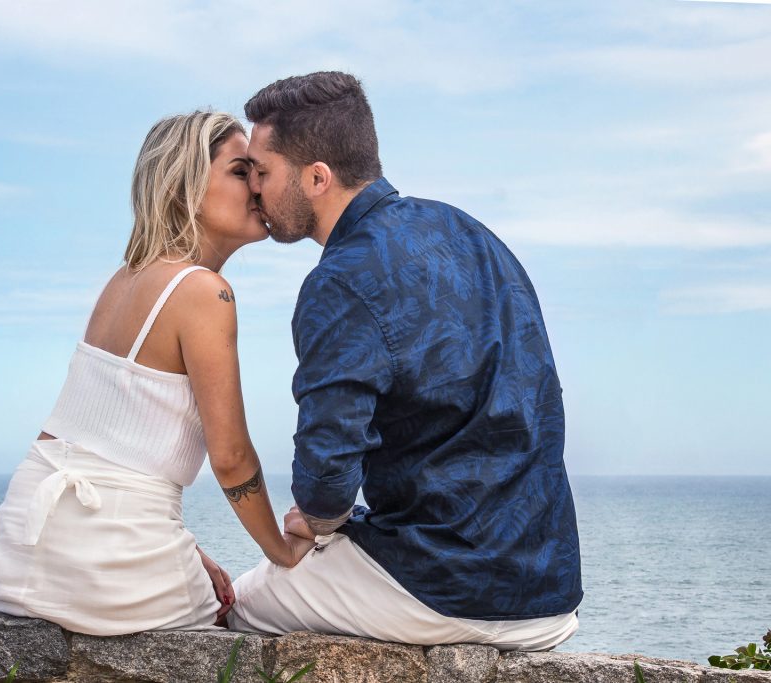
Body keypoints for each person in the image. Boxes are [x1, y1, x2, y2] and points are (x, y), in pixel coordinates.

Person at [226, 72, 583, 651]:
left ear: (317, 177)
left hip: (447, 588)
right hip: (549, 591)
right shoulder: (470, 233)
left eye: (262, 172)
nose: (255, 190)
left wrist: (316, 521)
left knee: (234, 613)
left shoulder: (339, 281)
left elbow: (326, 477)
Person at [0, 111, 314, 636]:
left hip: (22, 553)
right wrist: (282, 550)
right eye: (238, 171)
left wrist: (181, 548)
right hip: (104, 559)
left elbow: (92, 439)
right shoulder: (205, 291)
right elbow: (231, 458)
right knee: (264, 619)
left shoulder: (125, 278)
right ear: (184, 188)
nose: (256, 186)